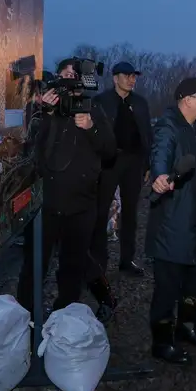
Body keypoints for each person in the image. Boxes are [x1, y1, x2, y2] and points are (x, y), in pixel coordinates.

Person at [16, 58, 117, 318]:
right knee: (35, 265)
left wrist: (91, 128)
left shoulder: (93, 110)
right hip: (45, 205)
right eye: (66, 74)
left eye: (75, 74)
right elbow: (29, 149)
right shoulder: (43, 109)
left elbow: (109, 152)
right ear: (58, 77)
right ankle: (25, 318)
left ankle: (64, 317)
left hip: (81, 205)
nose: (71, 79)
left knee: (73, 267)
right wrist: (45, 113)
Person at [146, 77, 196, 365]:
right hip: (173, 224)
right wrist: (160, 176)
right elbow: (160, 156)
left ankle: (187, 328)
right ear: (187, 99)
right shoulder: (168, 126)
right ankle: (162, 342)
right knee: (168, 288)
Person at [92, 61, 153, 277]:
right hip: (109, 162)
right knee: (101, 212)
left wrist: (147, 164)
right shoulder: (101, 101)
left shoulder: (140, 103)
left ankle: (127, 260)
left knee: (130, 213)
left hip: (134, 161)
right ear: (115, 78)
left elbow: (147, 135)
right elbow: (93, 134)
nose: (131, 79)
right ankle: (98, 263)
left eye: (133, 76)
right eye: (127, 76)